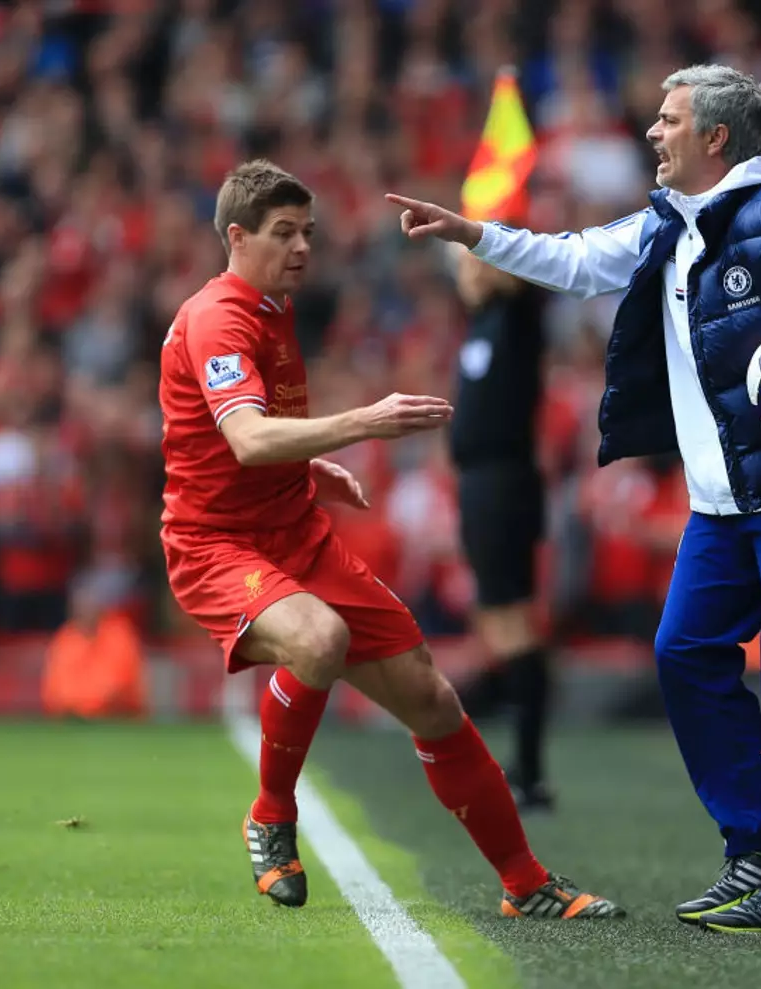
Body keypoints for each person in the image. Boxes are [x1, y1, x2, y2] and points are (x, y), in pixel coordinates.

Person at [387, 63, 761, 933]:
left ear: (715, 138)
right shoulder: (676, 221)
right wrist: (475, 232)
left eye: (669, 121)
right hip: (721, 495)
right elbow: (579, 260)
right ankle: (754, 844)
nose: (653, 133)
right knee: (684, 651)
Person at [159, 159, 623, 920]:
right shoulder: (220, 317)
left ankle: (525, 882)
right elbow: (243, 439)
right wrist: (358, 426)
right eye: (284, 233)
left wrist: (309, 467)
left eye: (308, 231)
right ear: (236, 237)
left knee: (433, 699)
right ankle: (271, 816)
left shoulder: (273, 305)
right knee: (319, 636)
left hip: (295, 531)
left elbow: (239, 437)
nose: (303, 247)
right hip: (219, 546)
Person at [448, 252, 554, 811]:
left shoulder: (517, 314)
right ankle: (517, 756)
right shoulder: (481, 322)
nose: (463, 273)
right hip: (478, 483)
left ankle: (529, 770)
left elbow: (524, 276)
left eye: (470, 261)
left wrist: (484, 242)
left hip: (503, 481)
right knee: (496, 616)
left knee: (513, 617)